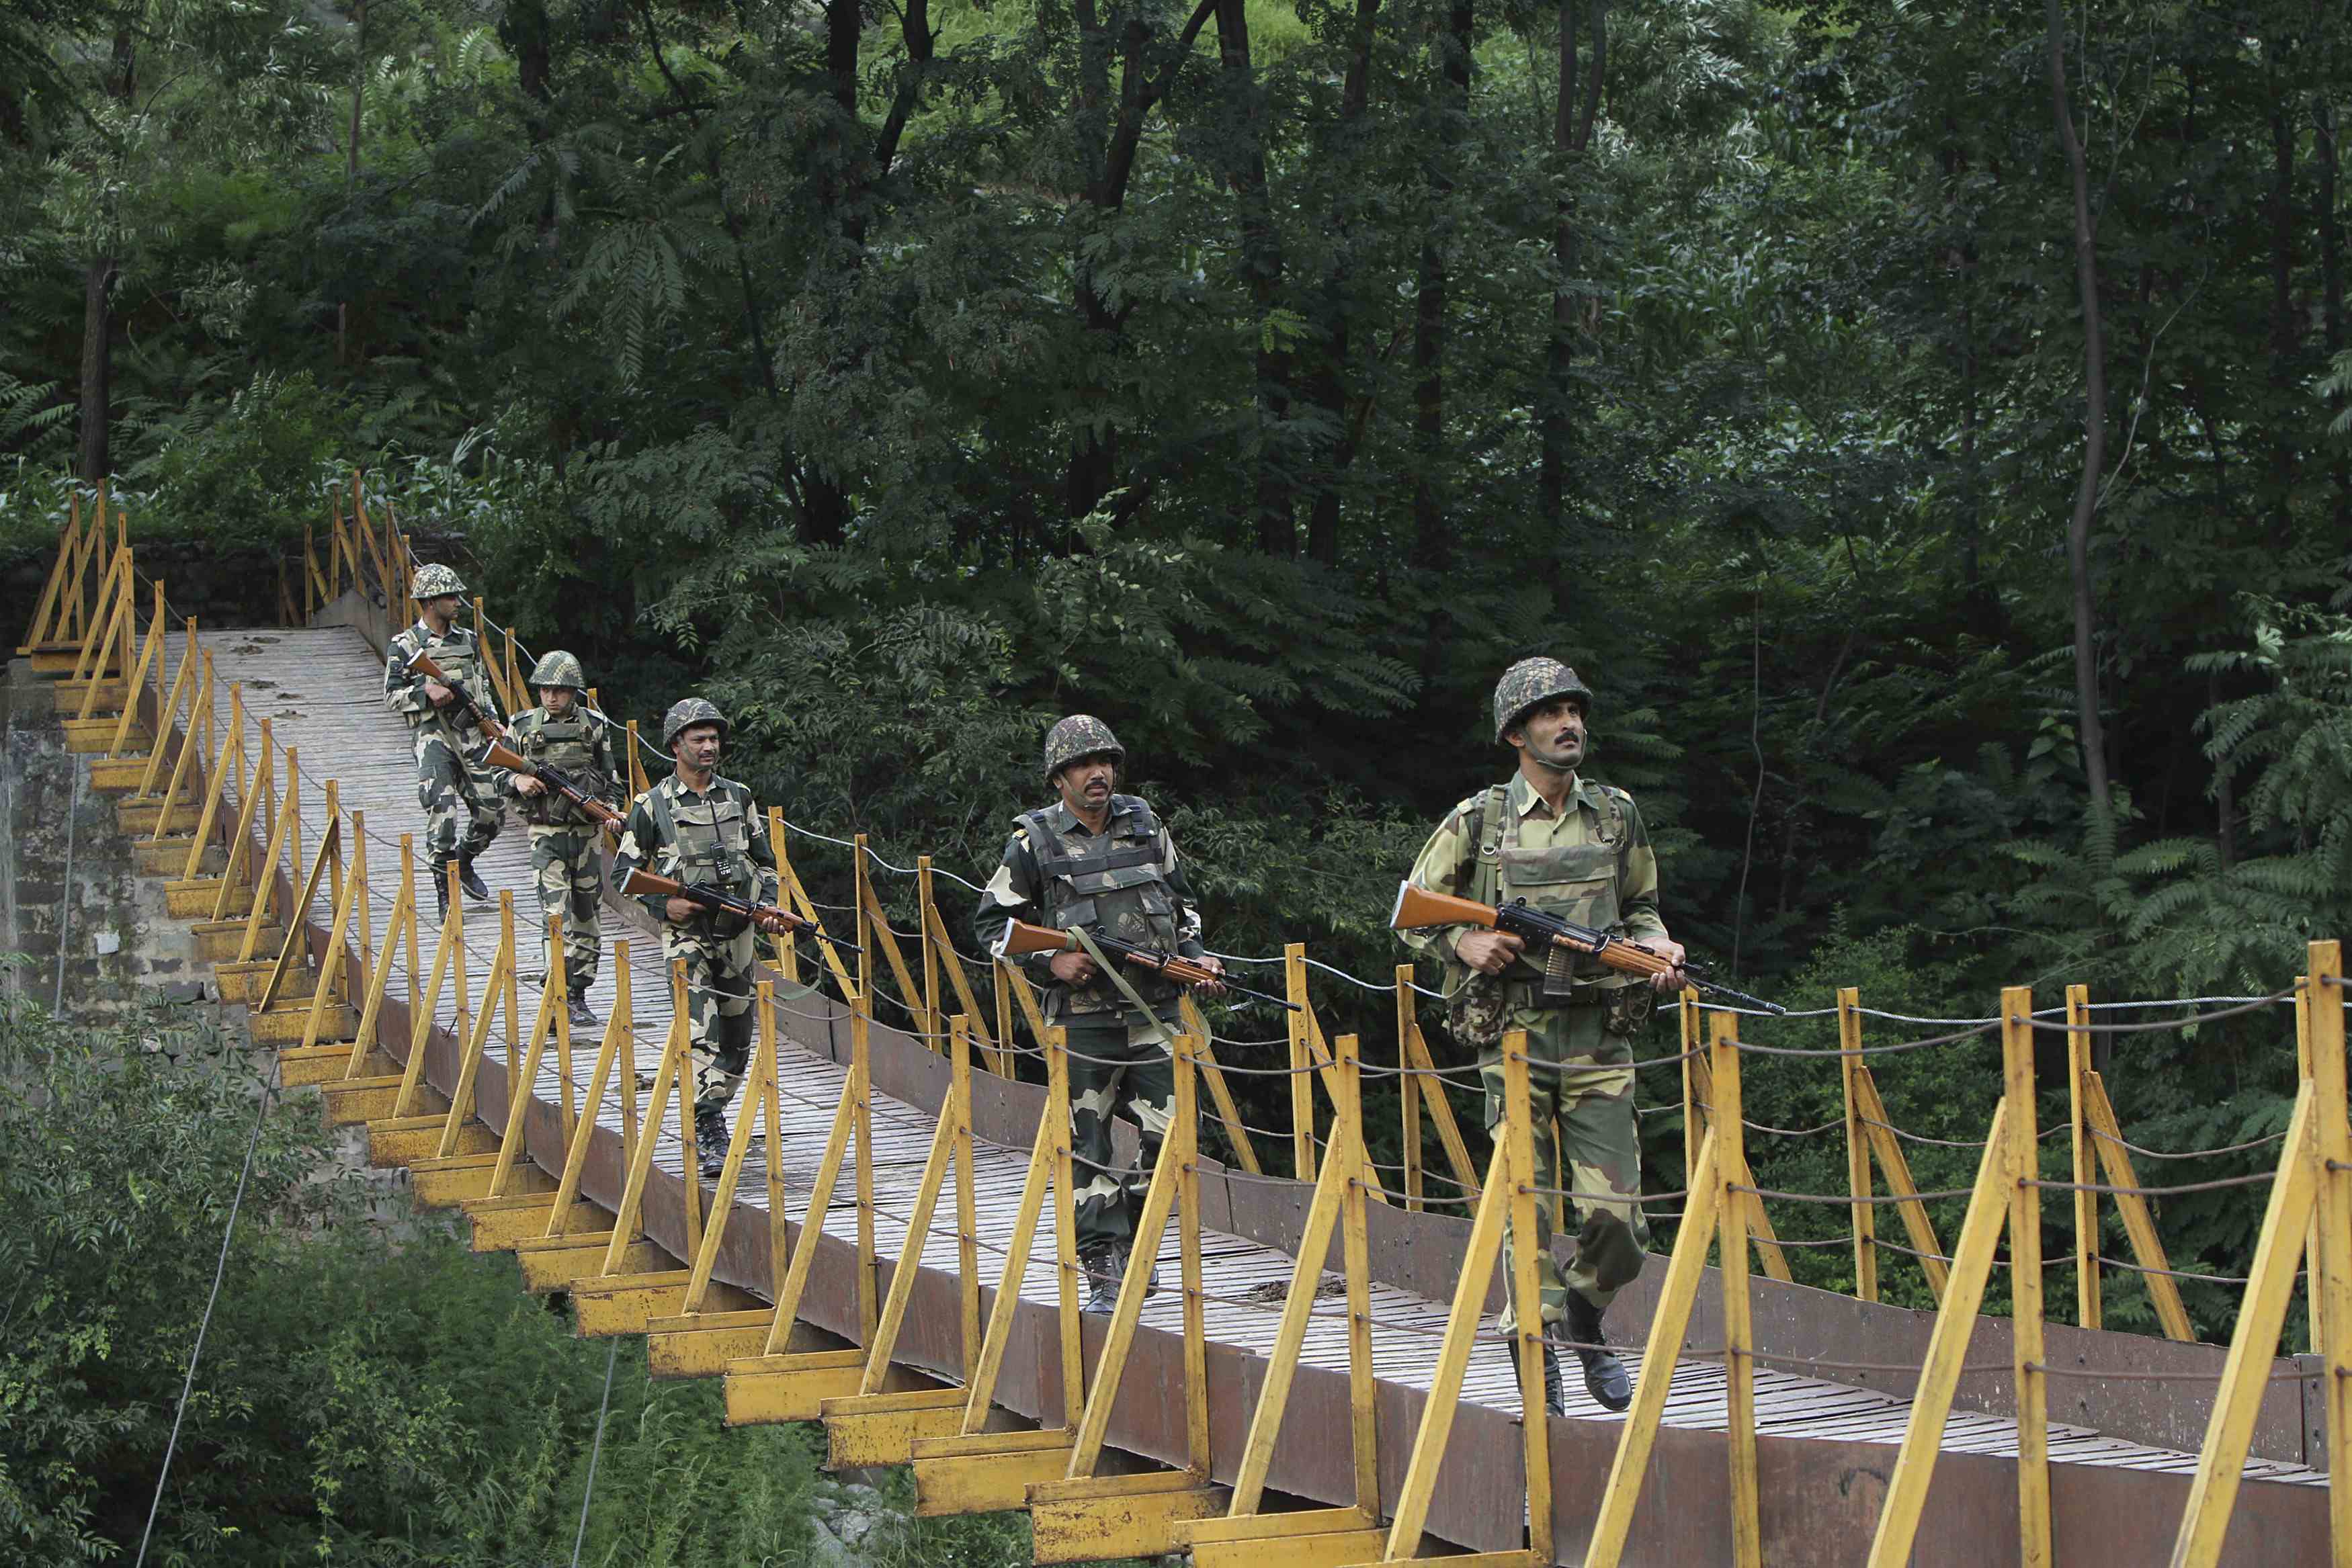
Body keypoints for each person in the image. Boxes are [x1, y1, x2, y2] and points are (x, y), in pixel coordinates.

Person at [1398, 658, 1685, 1415]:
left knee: (1620, 1226)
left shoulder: (1615, 814)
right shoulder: (1478, 822)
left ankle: (1578, 1313)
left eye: (1575, 712)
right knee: (1522, 1206)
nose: (1570, 725)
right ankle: (1534, 1352)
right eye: (1552, 714)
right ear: (1516, 733)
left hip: (1599, 1035)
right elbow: (1409, 910)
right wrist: (1460, 943)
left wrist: (1657, 948)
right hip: (1515, 1039)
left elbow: (1642, 906)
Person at [971, 715, 1224, 1314]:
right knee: (1086, 1145)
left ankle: (1132, 1229)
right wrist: (1051, 964)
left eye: (1106, 762)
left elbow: (1182, 902)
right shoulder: (1034, 842)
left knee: (1175, 1137)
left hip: (1154, 1014)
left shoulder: (1146, 825)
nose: (1099, 774)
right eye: (1084, 765)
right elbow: (992, 926)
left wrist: (1196, 957)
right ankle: (1104, 1265)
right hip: (1082, 1022)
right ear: (1060, 778)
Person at [611, 697, 788, 1177]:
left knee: (736, 1039)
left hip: (738, 932)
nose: (709, 747)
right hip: (687, 937)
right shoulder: (651, 806)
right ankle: (707, 1125)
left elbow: (765, 861)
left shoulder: (739, 797)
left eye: (714, 739)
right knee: (701, 1030)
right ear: (676, 745)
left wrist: (769, 906)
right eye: (699, 740)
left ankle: (713, 1113)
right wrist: (661, 904)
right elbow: (623, 874)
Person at [495, 650, 622, 1029]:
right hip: (546, 836)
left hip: (587, 837)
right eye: (546, 689)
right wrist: (518, 781)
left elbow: (610, 778)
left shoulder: (595, 727)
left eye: (560, 690)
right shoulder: (521, 726)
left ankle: (579, 994)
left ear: (574, 692)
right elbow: (495, 774)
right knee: (557, 917)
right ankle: (558, 994)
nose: (551, 697)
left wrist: (613, 813)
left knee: (587, 916)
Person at [383, 564, 503, 923]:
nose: (458, 603)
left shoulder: (466, 640)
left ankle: (463, 862)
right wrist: (425, 691)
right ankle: (444, 891)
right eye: (450, 597)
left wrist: (493, 719)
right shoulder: (406, 645)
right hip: (432, 736)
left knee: (492, 810)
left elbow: (480, 684)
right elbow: (391, 695)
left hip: (471, 734)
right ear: (430, 602)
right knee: (443, 809)